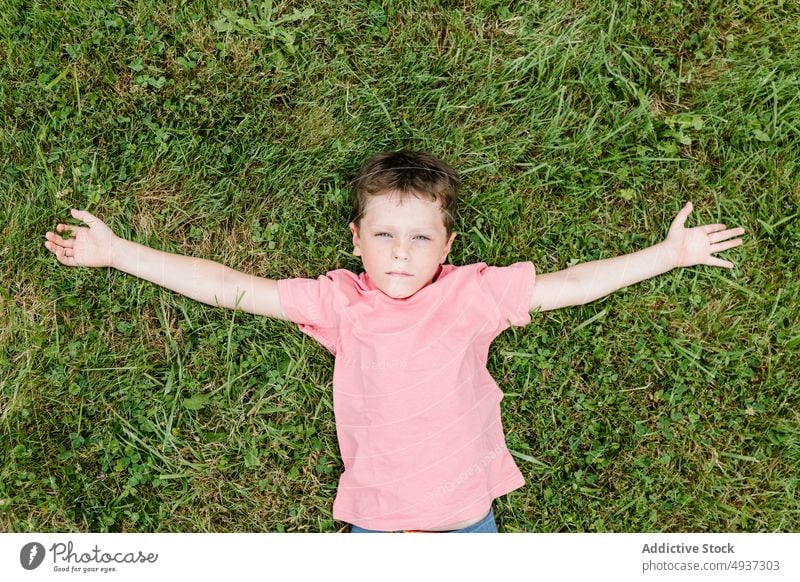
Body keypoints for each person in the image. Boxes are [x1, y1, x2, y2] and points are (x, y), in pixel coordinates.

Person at [43, 150, 746, 533]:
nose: (401, 253)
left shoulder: (473, 294)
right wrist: (120, 252)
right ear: (355, 240)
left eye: (419, 238)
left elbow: (571, 283)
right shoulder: (339, 303)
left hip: (469, 517)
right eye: (383, 234)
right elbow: (230, 285)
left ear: (448, 246)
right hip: (375, 522)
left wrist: (666, 255)